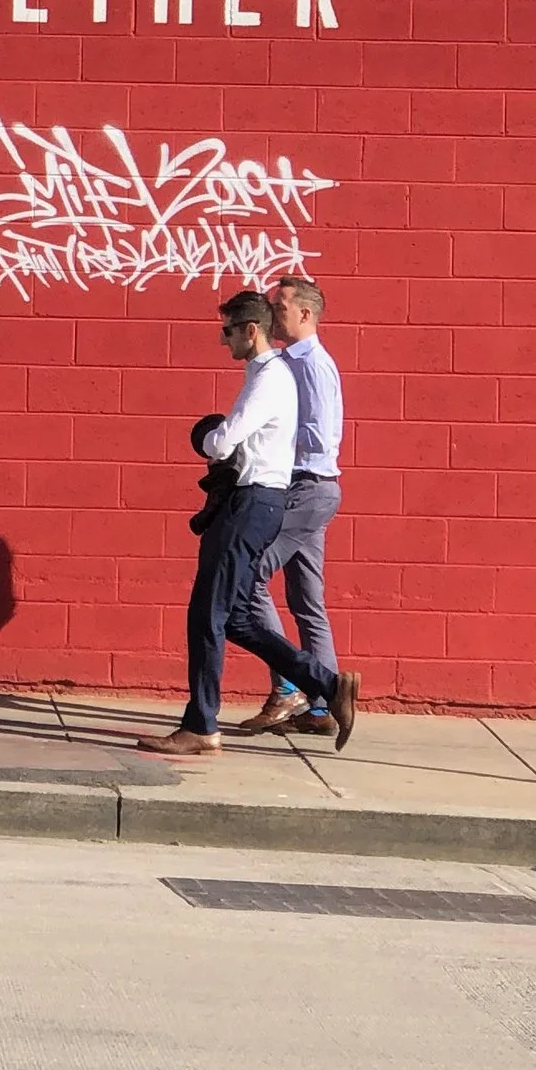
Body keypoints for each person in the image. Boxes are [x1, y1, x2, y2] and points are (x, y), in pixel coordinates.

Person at [137, 288, 360, 758]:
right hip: (258, 502)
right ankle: (325, 684)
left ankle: (201, 726)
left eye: (229, 331)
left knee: (207, 615)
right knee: (235, 617)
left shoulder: (269, 378)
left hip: (252, 504)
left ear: (249, 331)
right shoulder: (269, 374)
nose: (224, 341)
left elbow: (223, 442)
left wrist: (208, 434)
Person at [235, 273, 349, 744]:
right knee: (308, 602)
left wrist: (274, 444)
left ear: (304, 313)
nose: (271, 314)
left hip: (305, 486)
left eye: (279, 307)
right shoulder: (284, 361)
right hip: (310, 489)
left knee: (250, 576)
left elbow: (319, 438)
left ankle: (288, 684)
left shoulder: (313, 366)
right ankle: (324, 703)